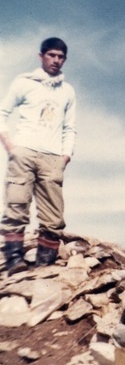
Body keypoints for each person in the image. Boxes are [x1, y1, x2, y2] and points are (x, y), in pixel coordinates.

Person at [0, 37, 77, 275]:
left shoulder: (67, 91)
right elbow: (2, 112)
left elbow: (70, 127)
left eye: (61, 57)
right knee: (16, 206)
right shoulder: (24, 82)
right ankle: (14, 262)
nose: (56, 60)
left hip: (52, 157)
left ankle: (45, 267)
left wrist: (66, 156)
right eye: (51, 55)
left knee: (53, 216)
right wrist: (10, 146)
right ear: (41, 56)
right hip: (23, 151)